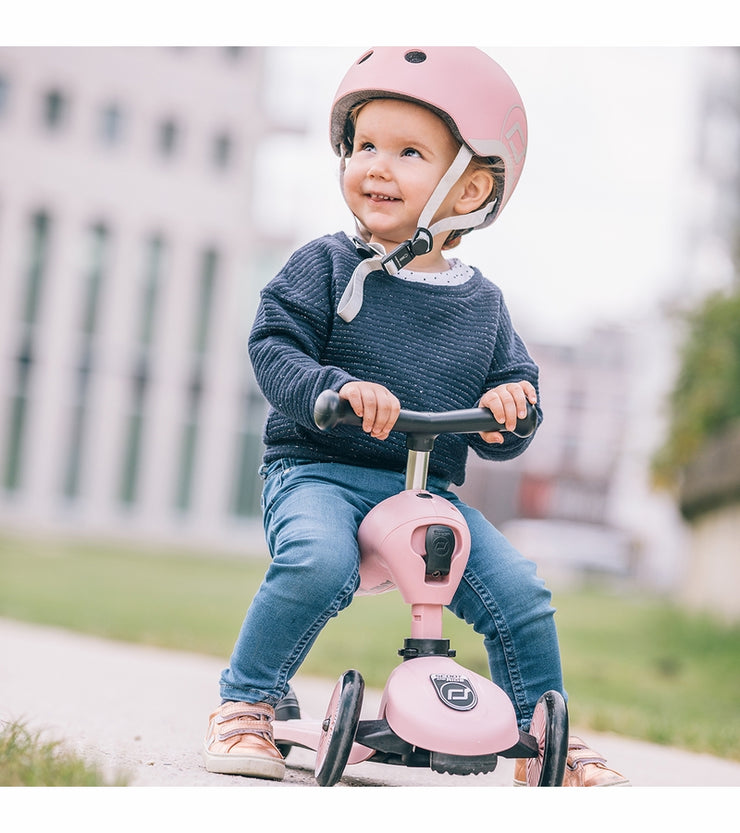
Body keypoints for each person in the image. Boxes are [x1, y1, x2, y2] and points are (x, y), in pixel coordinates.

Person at [203, 46, 629, 787]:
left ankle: (542, 740)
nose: (375, 165)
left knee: (521, 594)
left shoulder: (484, 305)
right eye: (363, 144)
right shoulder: (326, 265)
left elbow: (516, 400)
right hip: (317, 473)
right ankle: (249, 703)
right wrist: (332, 387)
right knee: (317, 561)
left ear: (468, 189)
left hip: (427, 491)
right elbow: (274, 345)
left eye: (407, 152)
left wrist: (509, 412)